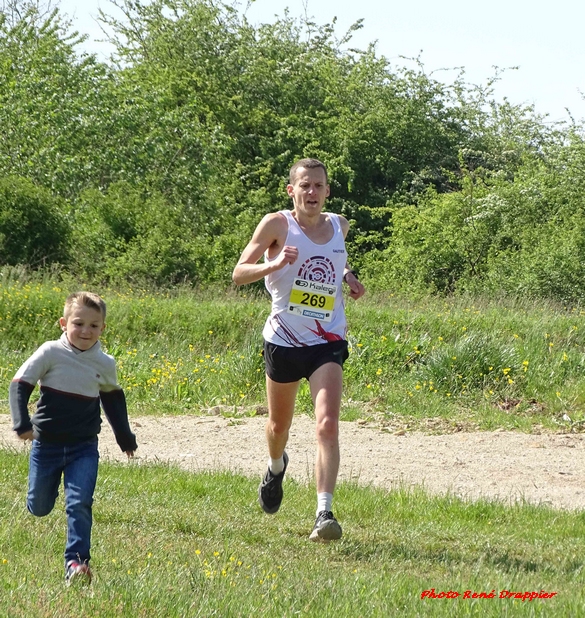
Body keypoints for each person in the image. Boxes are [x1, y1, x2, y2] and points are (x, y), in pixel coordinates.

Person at [232, 158, 365, 541]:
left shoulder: (339, 225)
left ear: (327, 191)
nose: (312, 192)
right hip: (284, 340)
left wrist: (348, 277)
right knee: (279, 427)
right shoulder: (276, 224)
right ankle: (276, 467)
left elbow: (334, 262)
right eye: (304, 185)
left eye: (319, 186)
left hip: (328, 340)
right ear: (292, 190)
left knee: (327, 424)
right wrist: (272, 263)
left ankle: (324, 512)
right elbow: (239, 273)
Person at [9, 291, 137, 584]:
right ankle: (44, 493)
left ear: (103, 328)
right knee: (40, 506)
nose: (85, 331)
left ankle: (76, 564)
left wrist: (125, 437)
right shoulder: (50, 352)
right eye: (78, 323)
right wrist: (21, 422)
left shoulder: (104, 362)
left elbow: (113, 401)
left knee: (79, 502)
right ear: (63, 323)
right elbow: (20, 385)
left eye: (94, 325)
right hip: (47, 445)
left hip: (84, 447)